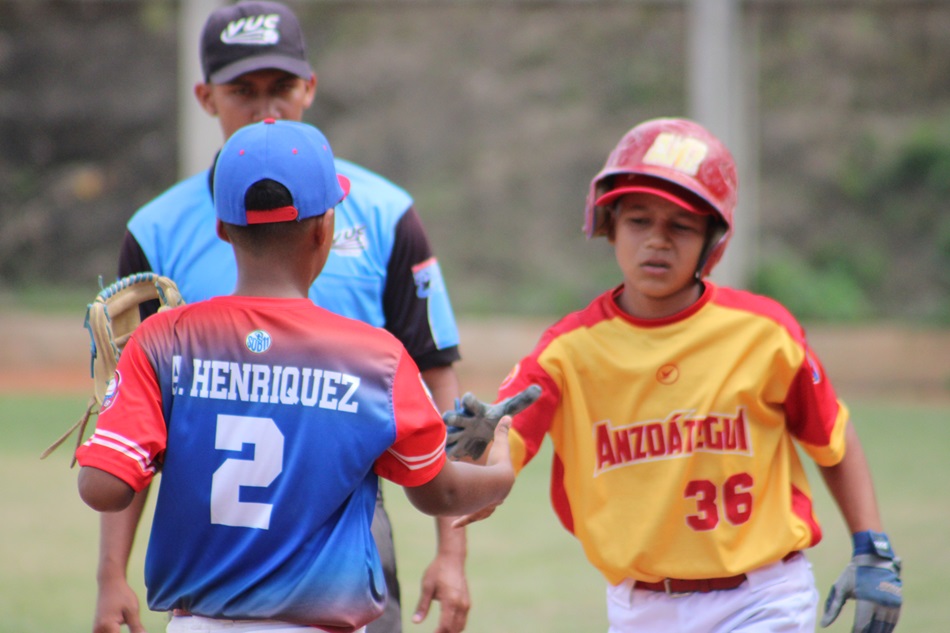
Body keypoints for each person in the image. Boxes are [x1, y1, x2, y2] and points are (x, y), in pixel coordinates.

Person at [99, 3, 469, 632]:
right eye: (243, 90)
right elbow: (130, 419)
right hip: (215, 538)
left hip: (348, 536)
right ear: (206, 97)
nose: (265, 109)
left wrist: (452, 554)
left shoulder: (383, 212)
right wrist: (112, 577)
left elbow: (437, 377)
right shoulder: (156, 229)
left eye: (282, 87)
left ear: (310, 88)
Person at [458, 117, 903, 632]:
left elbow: (832, 434)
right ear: (608, 224)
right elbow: (503, 441)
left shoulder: (763, 332)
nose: (658, 241)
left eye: (682, 226)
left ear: (712, 242)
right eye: (639, 220)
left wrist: (873, 549)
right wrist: (476, 469)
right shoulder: (567, 351)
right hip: (640, 607)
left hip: (763, 598)